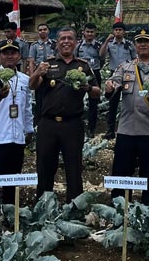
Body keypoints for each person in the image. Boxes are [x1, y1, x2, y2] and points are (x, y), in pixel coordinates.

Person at [105, 30, 149, 204]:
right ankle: (120, 209)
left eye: (147, 41)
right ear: (135, 45)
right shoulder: (125, 67)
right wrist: (110, 87)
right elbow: (114, 83)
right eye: (139, 42)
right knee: (121, 172)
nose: (143, 44)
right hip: (126, 129)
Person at [30, 27, 99, 203]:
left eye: (70, 38)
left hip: (72, 124)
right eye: (62, 39)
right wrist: (37, 72)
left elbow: (97, 92)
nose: (66, 41)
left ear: (75, 42)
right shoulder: (48, 63)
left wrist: (88, 87)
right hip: (48, 124)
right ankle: (43, 206)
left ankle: (75, 207)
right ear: (57, 43)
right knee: (45, 166)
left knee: (74, 167)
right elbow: (32, 85)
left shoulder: (83, 65)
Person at [0, 40, 32, 219]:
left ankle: (10, 216)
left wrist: (29, 130)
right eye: (5, 53)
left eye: (13, 52)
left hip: (16, 139)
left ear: (19, 56)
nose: (9, 56)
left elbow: (26, 109)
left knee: (13, 180)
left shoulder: (24, 79)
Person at [100, 22, 136, 139]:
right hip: (114, 76)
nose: (118, 32)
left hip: (128, 76)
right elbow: (101, 55)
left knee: (130, 103)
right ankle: (110, 131)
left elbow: (135, 58)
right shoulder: (110, 44)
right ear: (113, 31)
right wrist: (106, 41)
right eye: (116, 30)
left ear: (124, 32)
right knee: (113, 104)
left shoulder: (129, 44)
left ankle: (130, 129)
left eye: (120, 30)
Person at [75, 23, 104, 137]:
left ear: (95, 33)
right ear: (84, 32)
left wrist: (96, 69)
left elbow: (101, 59)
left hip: (94, 74)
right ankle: (78, 126)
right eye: (87, 32)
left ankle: (92, 129)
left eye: (92, 32)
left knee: (94, 101)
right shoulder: (78, 46)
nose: (89, 34)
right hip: (80, 74)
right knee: (77, 100)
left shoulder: (98, 45)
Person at [30, 23, 57, 125]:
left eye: (45, 29)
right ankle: (38, 122)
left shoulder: (54, 44)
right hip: (39, 74)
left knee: (52, 96)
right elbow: (31, 62)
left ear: (48, 31)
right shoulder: (34, 46)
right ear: (38, 32)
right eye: (40, 30)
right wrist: (32, 76)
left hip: (52, 73)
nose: (43, 31)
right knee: (39, 98)